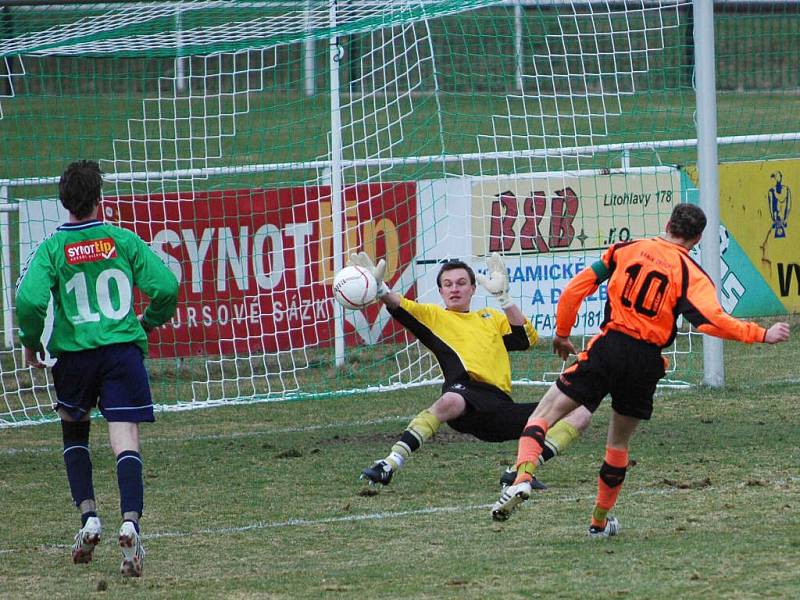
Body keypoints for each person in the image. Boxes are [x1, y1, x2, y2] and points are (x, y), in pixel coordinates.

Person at [490, 203, 791, 535]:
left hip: (610, 346)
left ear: (667, 224)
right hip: (647, 361)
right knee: (617, 443)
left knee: (542, 415)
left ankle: (522, 479)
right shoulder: (691, 273)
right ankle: (598, 522)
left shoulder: (626, 250)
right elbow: (711, 322)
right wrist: (761, 334)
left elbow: (576, 289)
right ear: (697, 238)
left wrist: (562, 334)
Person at [15, 160, 179, 576]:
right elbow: (167, 287)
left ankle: (89, 518)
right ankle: (130, 523)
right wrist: (148, 322)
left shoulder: (52, 248)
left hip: (75, 357)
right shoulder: (122, 240)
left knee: (74, 428)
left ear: (63, 202)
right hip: (121, 352)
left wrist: (32, 344)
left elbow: (30, 302)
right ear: (99, 199)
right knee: (125, 440)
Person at [349, 251, 594, 489]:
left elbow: (525, 339)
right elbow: (399, 306)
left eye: (461, 283)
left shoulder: (491, 318)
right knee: (451, 400)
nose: (454, 288)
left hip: (498, 406)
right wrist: (380, 289)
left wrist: (504, 298)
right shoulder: (432, 316)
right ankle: (389, 464)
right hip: (464, 395)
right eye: (448, 284)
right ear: (441, 291)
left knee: (580, 413)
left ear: (473, 288)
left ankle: (520, 472)